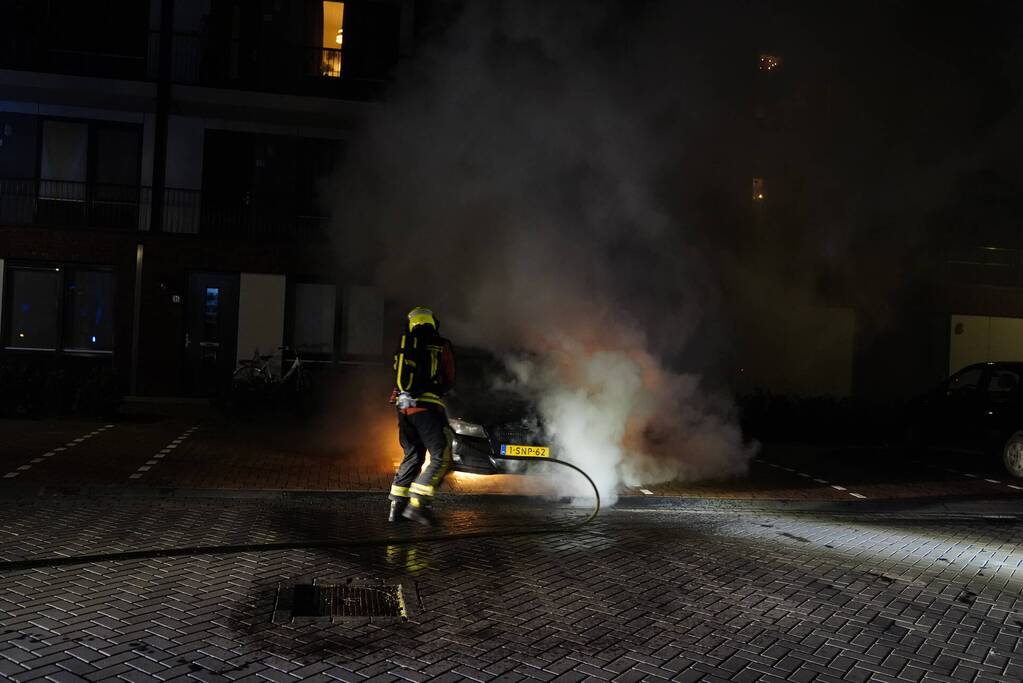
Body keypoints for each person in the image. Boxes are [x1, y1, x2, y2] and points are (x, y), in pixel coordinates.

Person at [387, 306, 456, 526]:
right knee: (443, 455)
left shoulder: (407, 344)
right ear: (432, 322)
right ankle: (418, 505)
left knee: (413, 455)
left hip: (404, 409)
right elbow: (449, 378)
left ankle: (396, 508)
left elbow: (400, 379)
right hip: (427, 409)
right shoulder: (440, 344)